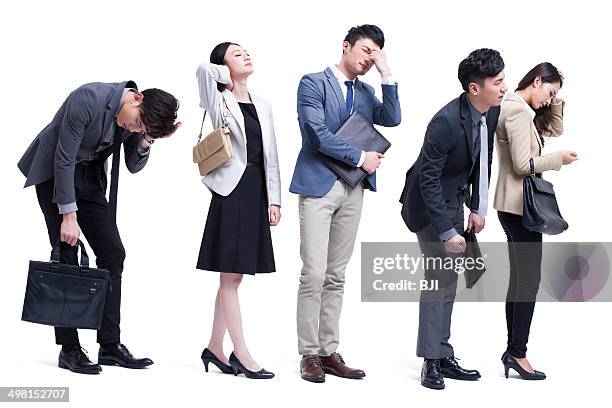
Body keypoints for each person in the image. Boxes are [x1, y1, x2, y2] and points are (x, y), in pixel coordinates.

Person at [18, 81, 180, 374]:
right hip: (56, 173)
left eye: (140, 129)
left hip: (90, 176)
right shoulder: (88, 99)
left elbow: (133, 165)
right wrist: (68, 215)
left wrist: (148, 138)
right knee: (67, 255)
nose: (133, 130)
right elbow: (64, 158)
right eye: (138, 123)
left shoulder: (134, 118)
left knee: (113, 254)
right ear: (136, 98)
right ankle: (69, 350)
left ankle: (109, 345)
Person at [290, 24, 401, 383]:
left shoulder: (367, 91)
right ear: (346, 46)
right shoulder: (312, 83)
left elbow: (393, 118)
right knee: (314, 273)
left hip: (353, 190)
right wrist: (359, 157)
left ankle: (328, 351)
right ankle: (308, 353)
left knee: (337, 275)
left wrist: (387, 73)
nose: (369, 58)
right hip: (319, 186)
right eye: (366, 50)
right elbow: (315, 133)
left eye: (375, 54)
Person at [400, 48, 507, 389]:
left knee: (449, 279)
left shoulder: (490, 111)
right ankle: (432, 360)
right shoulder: (444, 122)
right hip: (428, 203)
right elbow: (427, 180)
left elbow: (483, 158)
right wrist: (446, 230)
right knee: (439, 277)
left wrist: (478, 207)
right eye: (498, 81)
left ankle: (442, 353)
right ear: (474, 88)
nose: (504, 87)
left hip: (456, 199)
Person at [195, 42, 281, 380]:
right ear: (223, 65)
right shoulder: (218, 100)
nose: (246, 55)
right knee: (230, 274)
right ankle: (240, 353)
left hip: (256, 188)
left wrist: (273, 199)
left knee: (235, 275)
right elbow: (203, 70)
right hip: (232, 190)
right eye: (236, 54)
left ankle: (215, 347)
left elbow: (271, 154)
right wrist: (225, 77)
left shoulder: (263, 104)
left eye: (247, 51)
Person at [494, 63, 576, 380]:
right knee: (527, 281)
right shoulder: (515, 110)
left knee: (521, 280)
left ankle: (513, 351)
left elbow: (553, 130)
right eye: (549, 92)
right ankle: (517, 353)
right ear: (536, 80)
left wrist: (554, 98)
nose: (548, 99)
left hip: (516, 206)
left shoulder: (523, 108)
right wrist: (559, 160)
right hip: (519, 207)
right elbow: (521, 164)